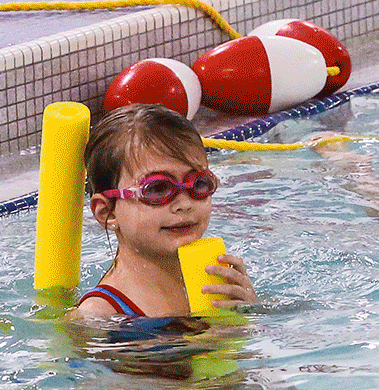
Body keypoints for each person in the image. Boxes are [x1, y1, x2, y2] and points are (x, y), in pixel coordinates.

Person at [74, 104, 257, 321]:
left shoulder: (220, 282)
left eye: (198, 183)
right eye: (158, 188)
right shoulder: (100, 315)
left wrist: (251, 308)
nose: (184, 204)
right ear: (107, 213)